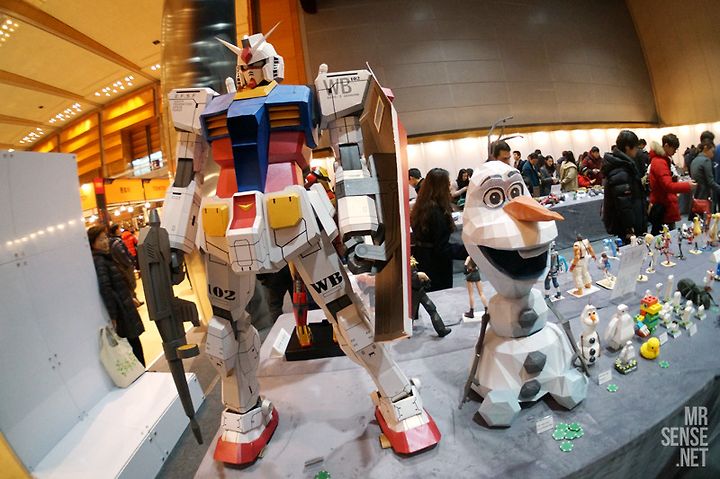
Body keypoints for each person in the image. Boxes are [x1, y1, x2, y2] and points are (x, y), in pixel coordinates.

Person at [88, 226, 146, 366]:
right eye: (100, 239)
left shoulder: (105, 257)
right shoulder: (100, 261)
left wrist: (130, 297)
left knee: (134, 342)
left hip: (124, 305)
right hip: (121, 311)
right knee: (132, 344)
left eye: (105, 238)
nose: (105, 242)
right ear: (92, 243)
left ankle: (142, 370)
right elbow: (106, 288)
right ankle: (141, 370)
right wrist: (113, 316)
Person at [410, 168, 455, 291]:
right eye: (447, 184)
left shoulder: (422, 206)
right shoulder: (436, 212)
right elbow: (442, 247)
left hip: (422, 257)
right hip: (436, 263)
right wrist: (466, 251)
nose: (450, 187)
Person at [601, 130, 647, 244]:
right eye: (635, 147)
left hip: (633, 221)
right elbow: (623, 204)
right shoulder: (620, 170)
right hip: (628, 227)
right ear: (627, 147)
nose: (637, 150)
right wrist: (629, 228)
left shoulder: (625, 165)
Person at [648, 134, 695, 234]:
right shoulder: (660, 162)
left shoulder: (661, 160)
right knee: (666, 237)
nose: (675, 151)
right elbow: (668, 185)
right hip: (663, 207)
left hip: (664, 205)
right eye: (674, 148)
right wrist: (687, 185)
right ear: (666, 146)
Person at [108, 224, 139, 304]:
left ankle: (135, 300)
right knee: (131, 284)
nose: (121, 230)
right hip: (125, 267)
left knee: (129, 284)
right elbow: (123, 255)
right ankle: (133, 301)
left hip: (121, 266)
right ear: (116, 231)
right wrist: (130, 263)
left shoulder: (112, 241)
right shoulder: (118, 242)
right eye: (119, 229)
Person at [690, 138, 719, 217]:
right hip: (705, 196)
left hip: (696, 195)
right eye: (712, 152)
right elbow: (710, 182)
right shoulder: (706, 161)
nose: (713, 155)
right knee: (708, 220)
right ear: (706, 148)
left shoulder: (695, 160)